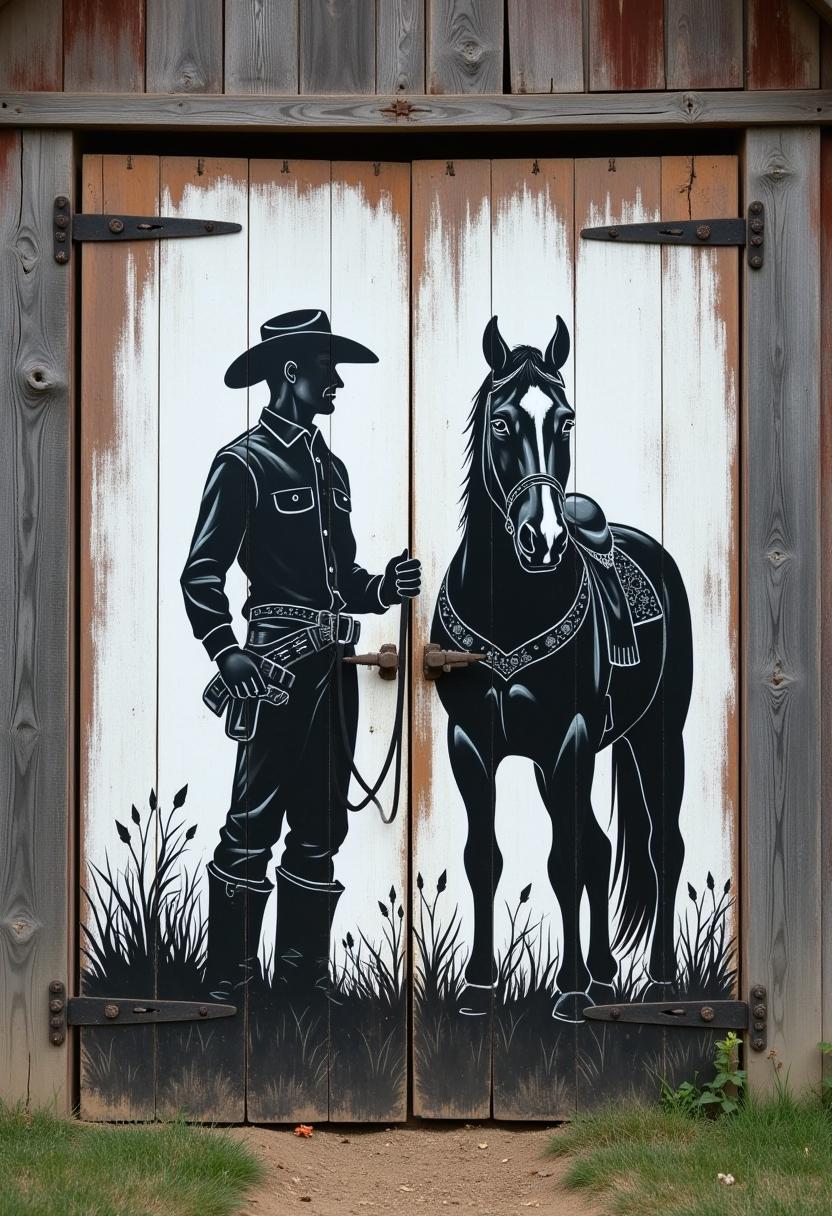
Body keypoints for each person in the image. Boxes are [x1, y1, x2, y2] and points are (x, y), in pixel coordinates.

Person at [181, 309, 421, 1001]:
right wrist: (226, 653)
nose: (337, 381)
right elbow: (202, 574)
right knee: (252, 823)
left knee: (321, 826)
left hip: (333, 672)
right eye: (326, 368)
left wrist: (382, 587)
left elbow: (342, 582)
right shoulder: (242, 463)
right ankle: (228, 981)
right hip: (272, 671)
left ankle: (301, 983)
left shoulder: (332, 470)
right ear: (292, 373)